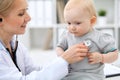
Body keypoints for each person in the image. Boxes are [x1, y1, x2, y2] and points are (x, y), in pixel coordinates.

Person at [0, 0, 89, 80]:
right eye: (21, 14)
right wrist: (64, 60)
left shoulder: (17, 46)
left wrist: (73, 69)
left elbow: (34, 72)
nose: (29, 18)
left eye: (26, 11)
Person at [56, 0, 118, 80]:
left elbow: (115, 54)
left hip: (92, 76)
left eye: (77, 23)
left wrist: (102, 57)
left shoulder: (99, 37)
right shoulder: (67, 35)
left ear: (92, 21)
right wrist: (63, 56)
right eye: (69, 23)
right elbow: (59, 47)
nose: (72, 27)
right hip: (70, 74)